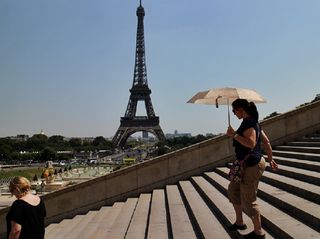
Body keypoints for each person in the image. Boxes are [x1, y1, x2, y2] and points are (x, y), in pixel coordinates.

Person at [226, 99, 278, 239]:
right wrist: (271, 159)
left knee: (249, 199)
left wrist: (234, 135)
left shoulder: (249, 123)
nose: (234, 113)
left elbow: (251, 143)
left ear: (241, 110)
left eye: (234, 110)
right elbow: (266, 142)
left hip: (252, 165)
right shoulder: (253, 122)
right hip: (248, 163)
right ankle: (240, 222)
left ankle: (258, 232)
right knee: (233, 190)